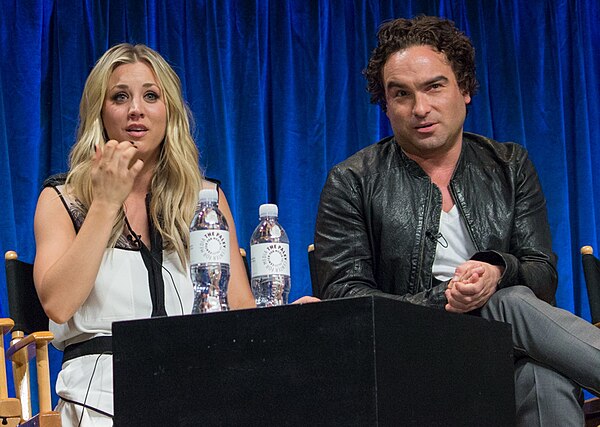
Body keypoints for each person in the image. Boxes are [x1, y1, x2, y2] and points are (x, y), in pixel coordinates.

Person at [314, 15, 600, 426]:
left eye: (434, 86)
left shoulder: (509, 165)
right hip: (410, 357)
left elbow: (543, 275)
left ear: (464, 89)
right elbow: (345, 297)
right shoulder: (352, 181)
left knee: (544, 373)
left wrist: (497, 269)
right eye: (401, 94)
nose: (420, 108)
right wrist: (448, 298)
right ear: (386, 104)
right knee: (511, 300)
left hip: (507, 352)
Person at [33, 43, 316, 426]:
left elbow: (242, 313)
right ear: (100, 111)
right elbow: (59, 305)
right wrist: (104, 204)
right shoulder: (62, 199)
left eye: (151, 95)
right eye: (120, 96)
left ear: (169, 112)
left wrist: (290, 318)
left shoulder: (205, 201)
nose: (136, 109)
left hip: (200, 383)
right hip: (100, 395)